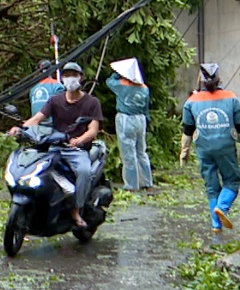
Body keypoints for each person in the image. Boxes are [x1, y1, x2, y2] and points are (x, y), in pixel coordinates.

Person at [10, 61, 104, 229]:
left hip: (76, 149)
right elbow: (38, 118)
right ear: (62, 78)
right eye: (66, 75)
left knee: (84, 171)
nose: (70, 79)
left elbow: (93, 130)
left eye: (74, 75)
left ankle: (77, 209)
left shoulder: (91, 102)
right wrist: (21, 129)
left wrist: (79, 140)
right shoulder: (55, 100)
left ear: (81, 78)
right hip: (55, 146)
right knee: (39, 169)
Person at [183, 63, 240, 233]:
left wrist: (184, 150)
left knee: (211, 187)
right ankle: (222, 208)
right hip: (226, 145)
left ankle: (216, 225)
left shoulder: (191, 101)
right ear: (219, 79)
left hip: (203, 147)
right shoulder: (231, 97)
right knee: (232, 180)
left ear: (201, 81)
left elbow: (187, 130)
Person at [107, 58, 153, 191]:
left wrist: (118, 73)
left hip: (126, 119)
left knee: (128, 153)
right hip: (141, 119)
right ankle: (147, 182)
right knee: (141, 152)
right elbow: (146, 108)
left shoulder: (121, 85)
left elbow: (109, 81)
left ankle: (131, 185)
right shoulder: (144, 88)